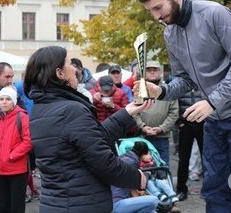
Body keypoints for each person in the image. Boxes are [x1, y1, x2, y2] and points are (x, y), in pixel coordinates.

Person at [136, 0, 231, 213]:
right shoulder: (170, 31)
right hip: (215, 115)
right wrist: (161, 92)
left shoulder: (216, 13)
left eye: (158, 8)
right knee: (214, 186)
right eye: (151, 11)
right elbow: (185, 80)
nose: (156, 16)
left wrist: (212, 102)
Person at [23, 46, 153, 213]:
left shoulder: (43, 108)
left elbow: (93, 139)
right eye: (70, 64)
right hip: (81, 203)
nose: (76, 70)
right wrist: (137, 178)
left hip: (57, 203)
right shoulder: (71, 110)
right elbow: (103, 161)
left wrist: (127, 111)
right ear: (59, 73)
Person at [0, 86, 32, 213]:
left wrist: (12, 155)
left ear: (13, 101)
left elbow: (28, 141)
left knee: (16, 206)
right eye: (1, 99)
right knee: (2, 206)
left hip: (16, 170)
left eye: (8, 99)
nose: (4, 102)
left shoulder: (22, 117)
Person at [134, 61, 179, 165]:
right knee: (145, 169)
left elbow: (174, 113)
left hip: (162, 138)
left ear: (160, 72)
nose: (152, 72)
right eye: (149, 70)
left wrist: (161, 128)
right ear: (144, 73)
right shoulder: (139, 90)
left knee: (163, 168)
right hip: (143, 137)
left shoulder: (169, 90)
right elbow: (134, 111)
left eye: (155, 70)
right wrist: (143, 126)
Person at [175, 89, 204, 201]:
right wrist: (179, 122)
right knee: (183, 159)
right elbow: (174, 104)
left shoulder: (202, 83)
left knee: (206, 159)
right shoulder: (182, 86)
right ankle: (181, 189)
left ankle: (208, 189)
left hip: (203, 124)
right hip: (186, 125)